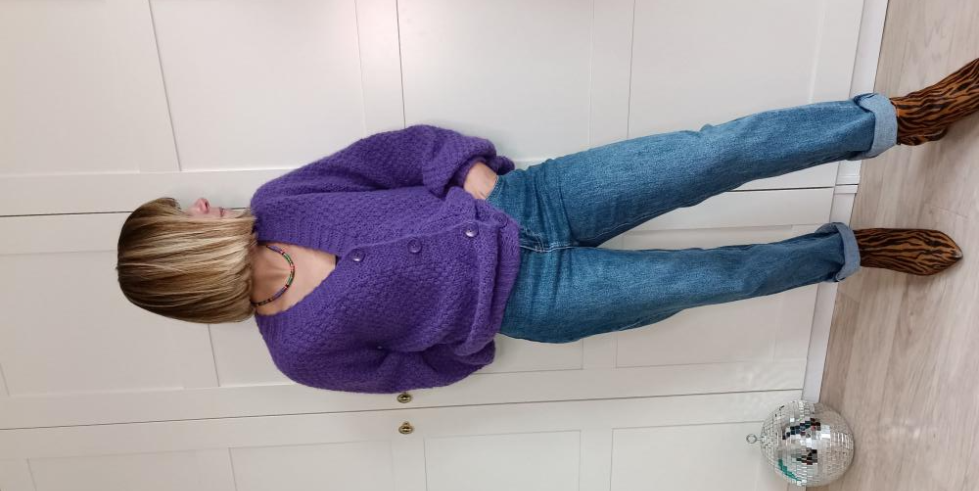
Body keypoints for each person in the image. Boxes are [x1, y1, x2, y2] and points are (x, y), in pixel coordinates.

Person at [116, 58, 979, 394]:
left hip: (535, 201)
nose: (204, 206)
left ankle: (901, 118)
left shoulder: (284, 200)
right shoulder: (300, 352)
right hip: (539, 300)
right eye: (188, 220)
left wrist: (472, 174)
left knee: (711, 153)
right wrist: (477, 323)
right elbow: (419, 370)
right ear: (186, 261)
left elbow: (398, 151)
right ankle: (852, 250)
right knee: (717, 277)